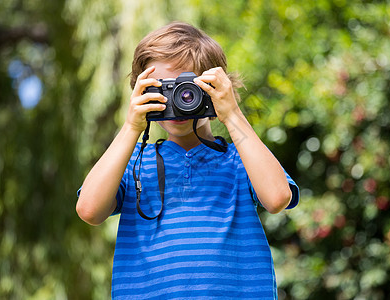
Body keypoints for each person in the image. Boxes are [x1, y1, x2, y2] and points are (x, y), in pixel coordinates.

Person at [76, 21, 299, 299]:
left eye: (188, 88)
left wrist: (231, 114)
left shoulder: (240, 159)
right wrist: (131, 127)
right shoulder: (131, 163)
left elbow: (278, 198)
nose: (179, 100)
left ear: (216, 88)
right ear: (141, 92)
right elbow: (89, 210)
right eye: (162, 88)